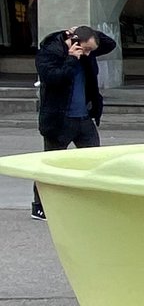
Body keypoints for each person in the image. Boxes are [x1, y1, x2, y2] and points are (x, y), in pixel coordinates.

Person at [31, 24, 117, 221]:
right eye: (86, 49)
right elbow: (53, 78)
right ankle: (39, 205)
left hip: (84, 117)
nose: (88, 54)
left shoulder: (87, 53)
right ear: (74, 42)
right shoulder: (50, 52)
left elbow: (110, 44)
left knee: (95, 159)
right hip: (59, 118)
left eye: (90, 50)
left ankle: (91, 200)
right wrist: (71, 58)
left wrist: (84, 31)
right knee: (51, 164)